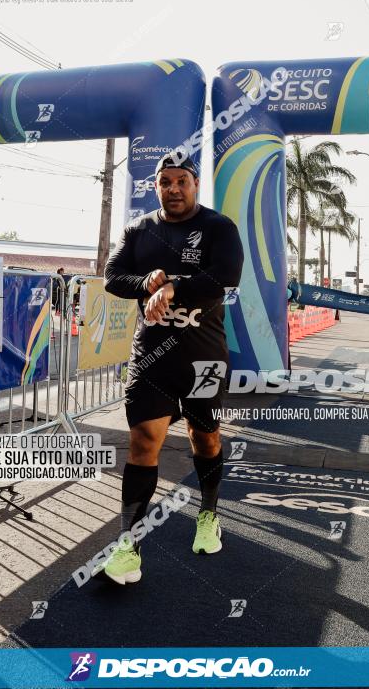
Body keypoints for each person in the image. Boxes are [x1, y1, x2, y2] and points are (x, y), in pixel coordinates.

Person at [99, 152, 244, 585]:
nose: (173, 188)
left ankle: (209, 513)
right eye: (165, 181)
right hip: (152, 357)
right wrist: (145, 283)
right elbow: (111, 276)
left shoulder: (219, 227)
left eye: (182, 180)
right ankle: (129, 545)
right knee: (144, 441)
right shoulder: (139, 230)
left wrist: (174, 287)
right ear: (156, 186)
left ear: (194, 185)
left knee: (205, 436)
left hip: (203, 356)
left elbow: (225, 278)